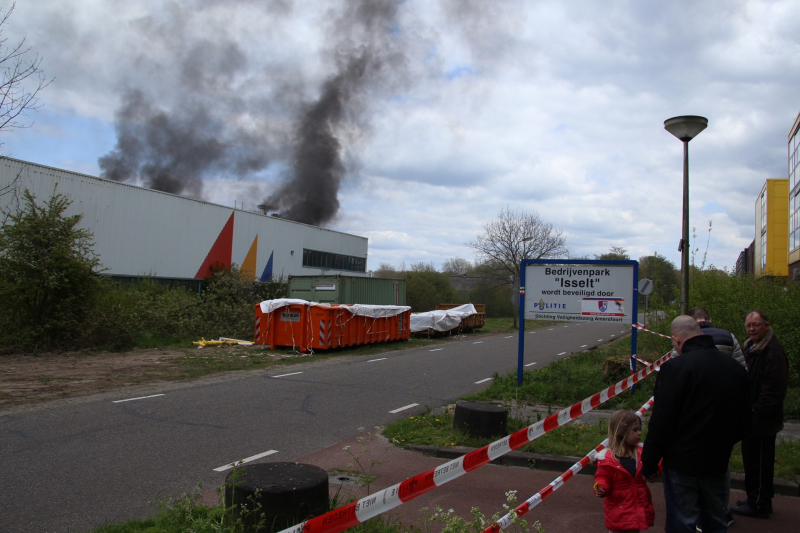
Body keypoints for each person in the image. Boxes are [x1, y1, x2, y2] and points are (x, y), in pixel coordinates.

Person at [641, 316, 749, 533]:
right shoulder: (734, 368)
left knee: (683, 523)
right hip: (718, 461)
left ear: (677, 340)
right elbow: (745, 420)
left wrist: (649, 463)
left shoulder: (675, 368)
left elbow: (661, 422)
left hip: (682, 462)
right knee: (716, 521)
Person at [730, 310, 789, 519]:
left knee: (761, 464)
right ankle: (754, 497)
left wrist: (754, 414)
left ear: (766, 325)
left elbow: (773, 392)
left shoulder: (772, 352)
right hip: (750, 418)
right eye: (748, 326)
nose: (751, 329)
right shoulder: (751, 346)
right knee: (751, 462)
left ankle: (760, 504)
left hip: (762, 422)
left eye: (755, 325)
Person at [594, 410, 655, 533]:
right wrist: (601, 487)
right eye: (635, 430)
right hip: (619, 509)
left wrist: (656, 469)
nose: (639, 433)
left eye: (639, 429)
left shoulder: (642, 453)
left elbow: (656, 464)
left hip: (637, 506)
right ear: (622, 433)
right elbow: (603, 477)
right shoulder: (607, 459)